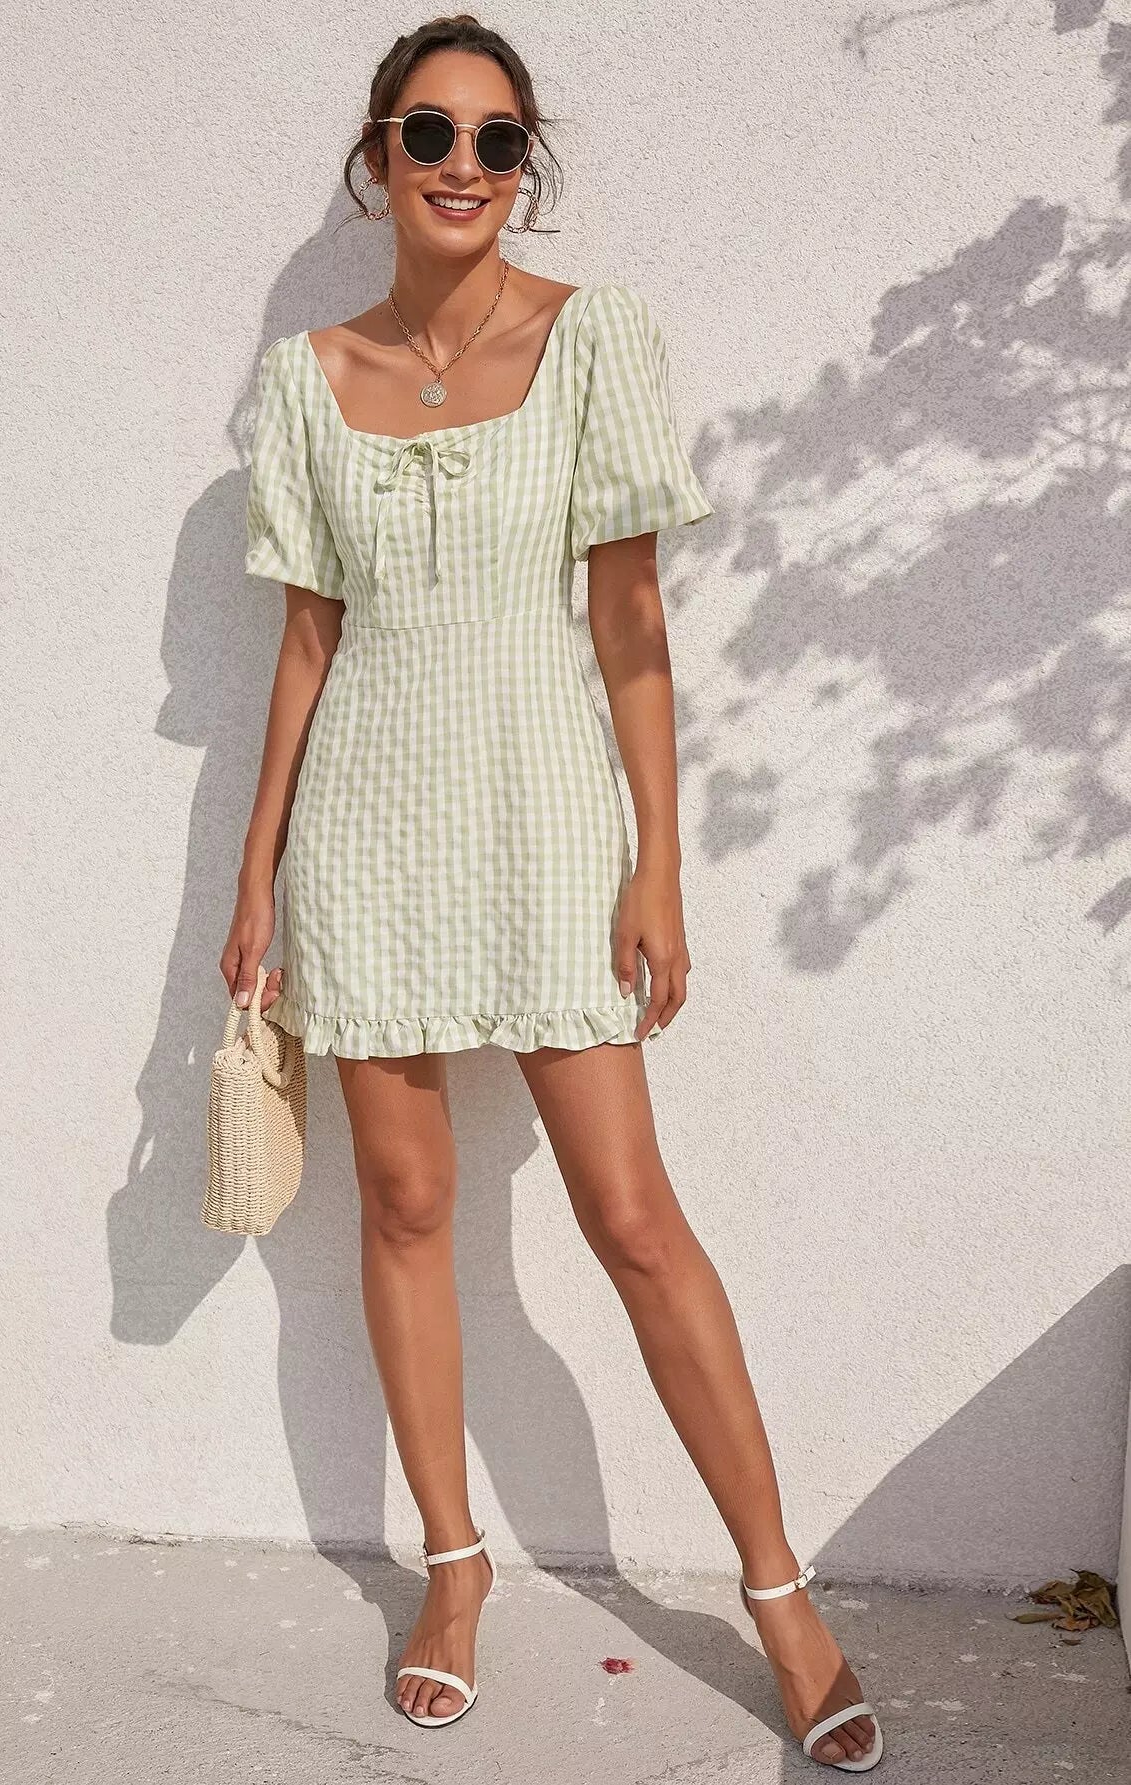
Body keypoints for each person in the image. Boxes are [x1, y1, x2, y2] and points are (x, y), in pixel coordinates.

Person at [221, 13, 884, 1773]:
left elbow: (632, 623)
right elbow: (306, 642)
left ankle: (780, 1594)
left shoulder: (596, 343)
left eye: (498, 140)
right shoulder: (307, 378)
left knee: (633, 1215)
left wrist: (659, 856)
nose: (464, 165)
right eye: (431, 133)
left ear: (527, 165)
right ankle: (453, 1570)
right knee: (407, 1205)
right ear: (379, 157)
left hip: (548, 830)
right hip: (366, 836)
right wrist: (257, 872)